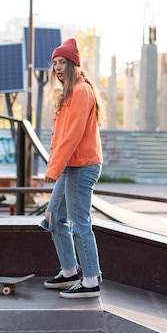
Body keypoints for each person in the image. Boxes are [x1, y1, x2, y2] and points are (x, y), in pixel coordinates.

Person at [39, 37, 106, 299]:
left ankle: (90, 280)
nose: (57, 67)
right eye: (54, 62)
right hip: (71, 165)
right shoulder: (69, 93)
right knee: (53, 218)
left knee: (79, 223)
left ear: (73, 64)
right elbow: (60, 136)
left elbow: (73, 135)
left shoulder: (80, 92)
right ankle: (69, 270)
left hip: (82, 167)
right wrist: (56, 165)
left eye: (62, 62)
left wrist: (53, 169)